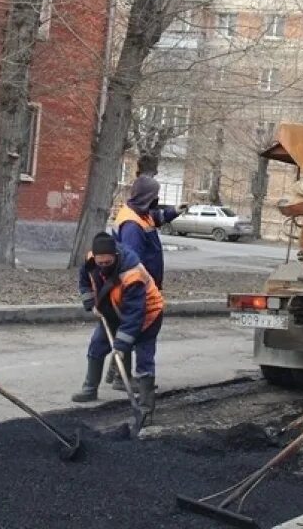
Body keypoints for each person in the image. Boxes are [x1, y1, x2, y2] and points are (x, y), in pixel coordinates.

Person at [72, 232, 164, 426]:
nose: (103, 266)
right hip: (113, 310)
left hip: (147, 314)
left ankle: (146, 408)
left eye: (108, 262)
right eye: (100, 263)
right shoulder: (91, 261)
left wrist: (121, 346)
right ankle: (90, 389)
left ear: (116, 255)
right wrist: (90, 303)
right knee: (97, 345)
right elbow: (84, 280)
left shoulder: (132, 274)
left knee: (144, 358)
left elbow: (134, 315)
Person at [105, 175, 185, 392]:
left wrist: (174, 211)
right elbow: (133, 261)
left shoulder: (141, 214)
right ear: (147, 196)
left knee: (133, 328)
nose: (157, 199)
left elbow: (155, 218)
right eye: (155, 195)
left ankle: (117, 372)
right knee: (142, 331)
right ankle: (133, 379)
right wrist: (144, 290)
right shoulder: (131, 225)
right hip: (138, 287)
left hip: (142, 285)